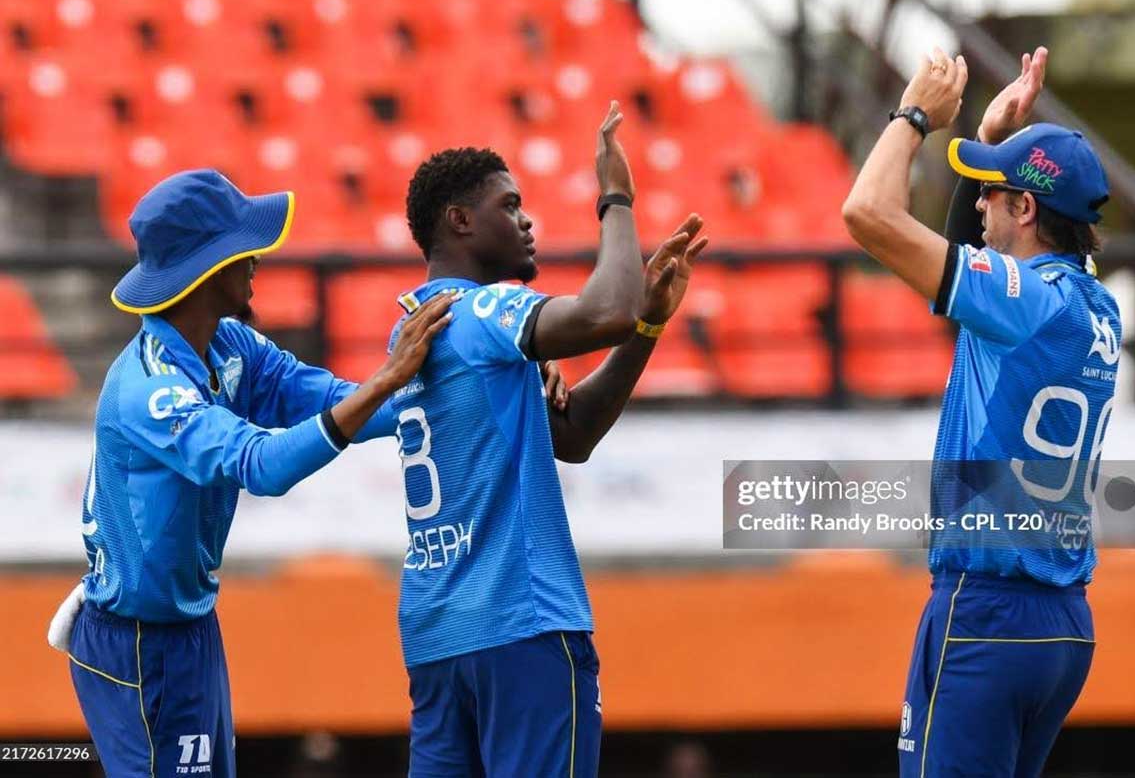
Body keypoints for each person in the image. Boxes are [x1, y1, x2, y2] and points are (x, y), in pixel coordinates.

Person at [58, 169, 452, 778]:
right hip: (136, 644)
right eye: (246, 248)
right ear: (208, 270)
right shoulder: (148, 390)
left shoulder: (231, 344)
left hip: (189, 629)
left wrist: (457, 391)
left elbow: (325, 396)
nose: (258, 258)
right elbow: (261, 466)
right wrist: (387, 381)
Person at [392, 102, 707, 777]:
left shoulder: (418, 327)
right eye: (510, 205)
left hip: (439, 632)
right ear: (461, 221)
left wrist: (647, 327)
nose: (527, 219)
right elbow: (606, 310)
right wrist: (616, 197)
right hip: (521, 620)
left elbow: (573, 435)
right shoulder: (484, 311)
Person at [841, 48, 1120, 777]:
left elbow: (867, 214)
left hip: (987, 612)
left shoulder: (1020, 299)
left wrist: (913, 119)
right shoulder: (1094, 304)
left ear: (1026, 208)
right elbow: (982, 267)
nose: (982, 207)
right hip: (1061, 622)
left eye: (993, 194)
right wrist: (994, 147)